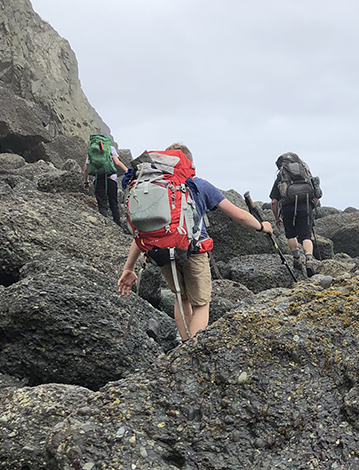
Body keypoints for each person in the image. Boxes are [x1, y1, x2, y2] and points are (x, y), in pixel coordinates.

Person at [117, 143, 273, 340]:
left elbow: (139, 231)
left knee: (181, 298)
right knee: (200, 304)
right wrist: (262, 226)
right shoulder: (199, 185)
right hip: (194, 250)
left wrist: (128, 268)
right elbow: (239, 216)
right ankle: (192, 352)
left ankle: (184, 343)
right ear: (188, 163)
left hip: (160, 250)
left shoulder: (153, 185)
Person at [268, 152, 321, 274]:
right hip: (305, 207)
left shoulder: (281, 177)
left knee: (291, 235)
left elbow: (274, 202)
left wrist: (277, 218)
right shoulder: (306, 173)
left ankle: (297, 258)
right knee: (306, 236)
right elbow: (316, 194)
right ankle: (309, 259)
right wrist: (312, 206)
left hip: (288, 209)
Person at [84, 140, 129, 225]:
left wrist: (86, 182)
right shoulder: (110, 148)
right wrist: (128, 171)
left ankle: (105, 224)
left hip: (97, 179)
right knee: (114, 202)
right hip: (111, 179)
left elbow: (85, 168)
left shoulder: (92, 151)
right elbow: (117, 162)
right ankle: (118, 223)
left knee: (101, 203)